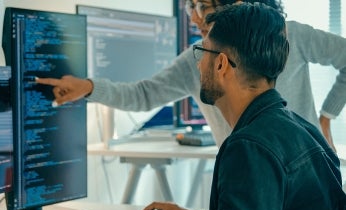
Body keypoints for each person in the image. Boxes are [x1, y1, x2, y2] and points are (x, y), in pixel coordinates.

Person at [63, 3, 344, 210]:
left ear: (221, 65)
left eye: (202, 52)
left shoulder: (250, 147)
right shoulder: (303, 129)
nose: (197, 65)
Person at [36, 0, 346, 151]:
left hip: (299, 171)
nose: (193, 16)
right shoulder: (199, 58)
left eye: (201, 5)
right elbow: (144, 94)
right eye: (190, 6)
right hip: (246, 171)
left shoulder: (290, 36)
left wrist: (326, 117)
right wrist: (89, 87)